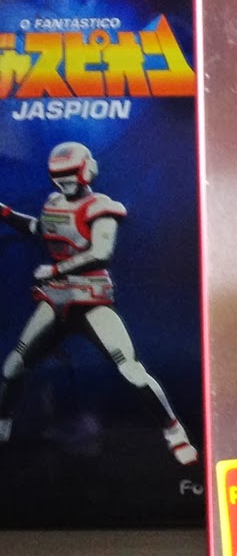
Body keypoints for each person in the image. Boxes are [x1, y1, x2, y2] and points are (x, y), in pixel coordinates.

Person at [0, 142, 197, 464]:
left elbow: (100, 253)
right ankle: (3, 425)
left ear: (85, 170)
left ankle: (175, 432)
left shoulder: (100, 207)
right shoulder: (54, 203)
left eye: (70, 172)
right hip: (56, 297)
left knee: (131, 369)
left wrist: (56, 269)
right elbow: (39, 228)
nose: (65, 180)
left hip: (91, 299)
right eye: (59, 174)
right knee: (12, 366)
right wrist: (6, 213)